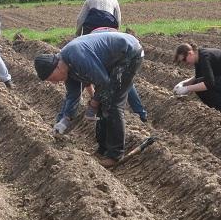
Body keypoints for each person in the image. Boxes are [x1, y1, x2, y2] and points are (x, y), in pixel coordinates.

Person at [34, 31, 144, 168]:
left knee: (113, 103)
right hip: (113, 59)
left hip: (129, 54)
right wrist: (64, 120)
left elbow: (104, 82)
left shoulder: (77, 56)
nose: (54, 83)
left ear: (56, 67)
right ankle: (102, 149)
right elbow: (73, 96)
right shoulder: (66, 67)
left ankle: (115, 155)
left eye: (51, 78)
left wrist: (93, 104)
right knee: (103, 101)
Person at [75, 0, 147, 122]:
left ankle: (98, 104)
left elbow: (80, 19)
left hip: (92, 38)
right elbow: (118, 20)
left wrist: (77, 37)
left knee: (94, 72)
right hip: (113, 39)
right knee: (124, 78)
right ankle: (140, 112)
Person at [173, 43, 221, 116]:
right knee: (198, 84)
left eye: (184, 60)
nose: (185, 63)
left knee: (204, 86)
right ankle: (217, 111)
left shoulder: (205, 57)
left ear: (190, 53)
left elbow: (209, 83)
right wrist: (183, 84)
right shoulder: (199, 57)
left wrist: (187, 88)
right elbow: (198, 76)